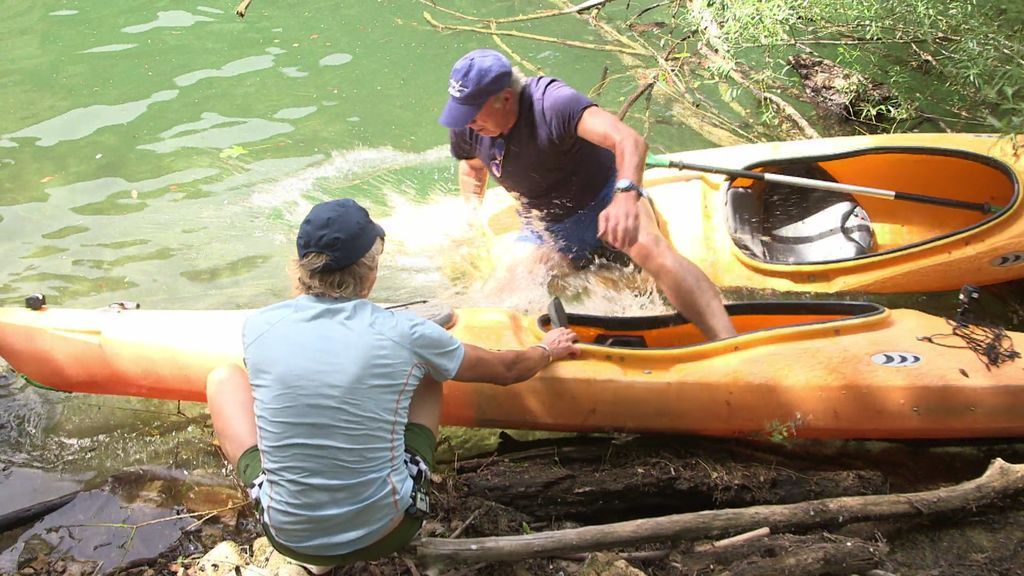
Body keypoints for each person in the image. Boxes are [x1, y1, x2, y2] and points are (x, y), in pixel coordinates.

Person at [206, 198, 580, 570]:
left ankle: (301, 521)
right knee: (432, 367)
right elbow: (507, 370)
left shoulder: (258, 326)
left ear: (301, 267)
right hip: (388, 529)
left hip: (288, 536)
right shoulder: (405, 333)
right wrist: (546, 349)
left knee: (223, 379)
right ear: (369, 272)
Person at [439, 49, 737, 341]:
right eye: (461, 112)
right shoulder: (468, 126)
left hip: (606, 197)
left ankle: (727, 341)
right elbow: (472, 168)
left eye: (472, 113)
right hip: (547, 228)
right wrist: (470, 218)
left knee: (651, 250)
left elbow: (629, 141)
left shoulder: (552, 103)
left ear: (505, 98)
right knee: (498, 295)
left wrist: (625, 196)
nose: (466, 122)